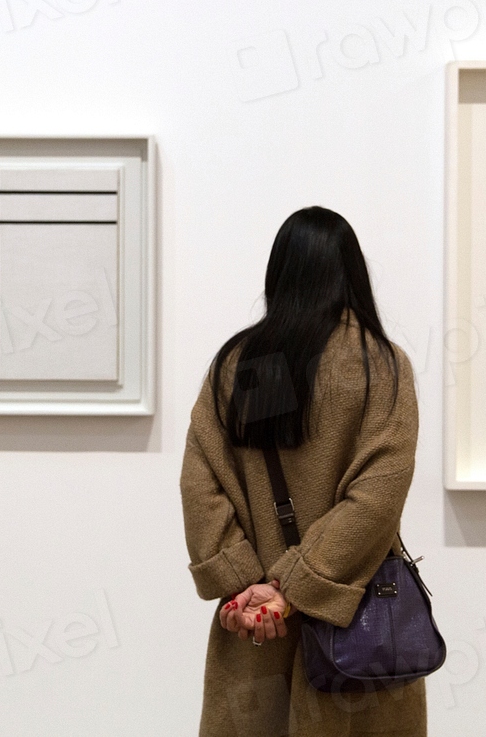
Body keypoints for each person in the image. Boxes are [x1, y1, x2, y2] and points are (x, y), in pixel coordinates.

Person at [180, 206, 426, 736]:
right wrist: (293, 588)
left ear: (279, 274)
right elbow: (377, 496)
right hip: (354, 627)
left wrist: (248, 587)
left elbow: (201, 483)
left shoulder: (241, 364)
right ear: (352, 274)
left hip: (254, 630)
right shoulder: (380, 365)